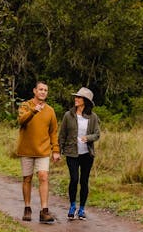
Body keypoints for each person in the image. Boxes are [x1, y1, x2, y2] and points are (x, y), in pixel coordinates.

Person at [16, 81, 60, 223]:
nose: (43, 92)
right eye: (40, 89)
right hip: (26, 149)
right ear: (34, 91)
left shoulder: (50, 111)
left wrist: (56, 150)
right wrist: (34, 110)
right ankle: (27, 208)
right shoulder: (25, 106)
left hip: (43, 150)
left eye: (45, 90)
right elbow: (21, 121)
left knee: (43, 177)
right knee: (27, 178)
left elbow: (53, 132)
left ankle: (44, 211)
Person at [58, 87, 101, 220]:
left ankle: (82, 209)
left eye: (79, 97)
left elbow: (97, 134)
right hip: (72, 153)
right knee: (74, 179)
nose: (76, 99)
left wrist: (87, 138)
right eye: (76, 97)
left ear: (85, 101)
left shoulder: (93, 117)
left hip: (87, 154)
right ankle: (72, 206)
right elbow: (62, 135)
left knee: (84, 181)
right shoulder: (68, 115)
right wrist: (58, 151)